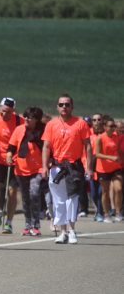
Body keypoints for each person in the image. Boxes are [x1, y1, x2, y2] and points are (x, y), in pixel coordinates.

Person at [41, 94, 93, 244]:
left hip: (74, 166)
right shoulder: (51, 124)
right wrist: (44, 166)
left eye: (67, 104)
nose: (64, 107)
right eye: (61, 104)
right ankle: (62, 231)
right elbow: (46, 146)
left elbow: (88, 146)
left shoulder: (81, 123)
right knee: (59, 201)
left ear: (72, 107)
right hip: (57, 167)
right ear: (57, 107)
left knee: (72, 199)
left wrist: (89, 168)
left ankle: (72, 231)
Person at [6, 107, 45, 236]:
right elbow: (11, 147)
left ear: (37, 120)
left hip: (37, 169)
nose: (27, 119)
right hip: (21, 169)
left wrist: (49, 162)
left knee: (34, 193)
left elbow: (48, 148)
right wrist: (9, 155)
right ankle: (28, 224)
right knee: (25, 198)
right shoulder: (19, 130)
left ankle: (36, 224)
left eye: (30, 117)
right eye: (26, 116)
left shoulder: (42, 131)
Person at [0, 97, 23, 234]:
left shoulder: (19, 122)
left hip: (14, 160)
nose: (4, 114)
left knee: (12, 191)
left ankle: (8, 222)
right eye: (2, 111)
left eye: (8, 112)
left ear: (13, 111)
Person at [95, 115, 123, 222]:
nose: (113, 128)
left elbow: (118, 149)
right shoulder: (100, 138)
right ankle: (106, 214)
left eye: (114, 126)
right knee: (105, 192)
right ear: (105, 127)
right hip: (103, 169)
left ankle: (118, 212)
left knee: (119, 189)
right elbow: (97, 154)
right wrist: (111, 157)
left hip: (116, 167)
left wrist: (119, 157)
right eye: (110, 126)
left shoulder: (116, 136)